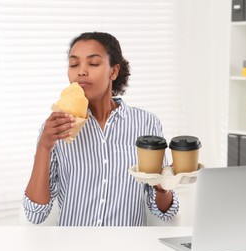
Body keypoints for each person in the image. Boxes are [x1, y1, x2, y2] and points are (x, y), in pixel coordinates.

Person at [23, 32, 179, 226]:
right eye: (74, 64)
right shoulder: (56, 129)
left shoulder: (146, 123)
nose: (81, 71)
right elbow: (35, 214)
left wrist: (163, 187)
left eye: (93, 63)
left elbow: (164, 212)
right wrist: (44, 146)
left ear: (113, 71)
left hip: (128, 247)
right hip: (73, 247)